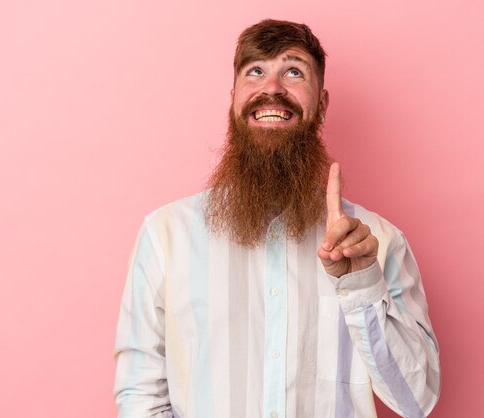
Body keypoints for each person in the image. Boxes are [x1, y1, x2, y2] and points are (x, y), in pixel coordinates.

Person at [114, 19, 440, 418]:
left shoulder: (380, 242)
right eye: (256, 71)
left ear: (321, 105)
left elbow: (416, 400)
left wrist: (361, 285)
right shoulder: (166, 235)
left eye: (294, 71)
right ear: (234, 100)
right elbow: (140, 396)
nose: (272, 88)